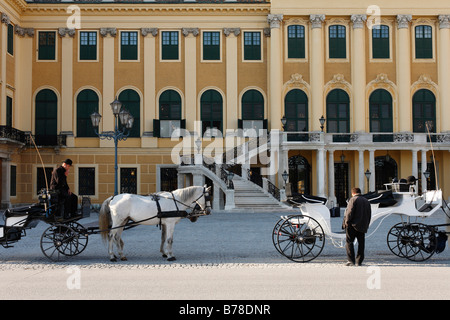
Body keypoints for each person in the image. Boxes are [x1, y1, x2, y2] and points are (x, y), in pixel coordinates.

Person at [343, 187, 372, 266]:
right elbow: (369, 214)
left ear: (353, 193)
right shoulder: (366, 201)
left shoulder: (353, 200)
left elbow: (350, 212)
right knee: (361, 244)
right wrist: (367, 224)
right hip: (362, 225)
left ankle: (351, 260)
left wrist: (346, 222)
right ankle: (359, 261)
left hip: (352, 225)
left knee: (349, 242)